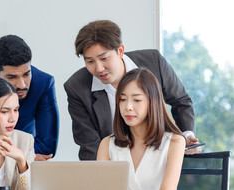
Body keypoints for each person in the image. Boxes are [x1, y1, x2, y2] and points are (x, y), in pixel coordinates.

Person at [64, 20, 200, 161]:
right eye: (90, 61)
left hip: (158, 158)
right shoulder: (76, 87)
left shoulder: (154, 62)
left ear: (120, 51)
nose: (98, 69)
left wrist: (187, 135)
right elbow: (89, 146)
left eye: (104, 58)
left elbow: (181, 101)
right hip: (113, 166)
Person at [97, 68, 185, 190]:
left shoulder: (175, 141)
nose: (128, 107)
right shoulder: (107, 144)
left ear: (153, 102)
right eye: (123, 99)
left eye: (137, 100)